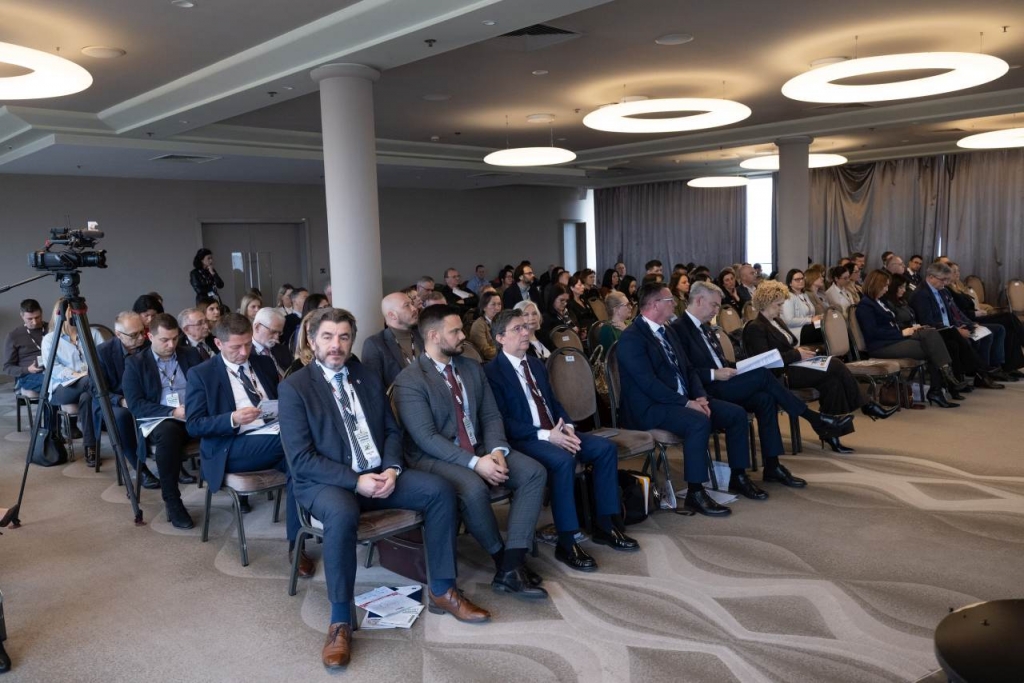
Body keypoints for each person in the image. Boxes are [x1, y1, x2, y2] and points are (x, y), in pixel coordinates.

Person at [279, 308, 490, 669]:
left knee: (439, 491)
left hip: (379, 473)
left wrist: (392, 469)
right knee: (342, 512)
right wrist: (355, 481)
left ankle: (443, 589)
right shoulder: (295, 387)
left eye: (344, 337)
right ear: (312, 341)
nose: (336, 345)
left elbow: (392, 431)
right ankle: (340, 620)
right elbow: (301, 459)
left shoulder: (366, 376)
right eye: (327, 337)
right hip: (327, 482)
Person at [393, 305, 548, 600]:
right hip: (433, 457)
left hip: (479, 446)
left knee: (533, 472)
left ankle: (512, 564)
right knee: (473, 487)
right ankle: (501, 559)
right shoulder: (410, 379)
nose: (463, 335)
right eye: (455, 331)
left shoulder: (471, 367)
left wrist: (497, 450)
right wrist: (476, 463)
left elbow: (490, 415)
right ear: (434, 336)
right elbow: (426, 438)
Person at [484, 309, 638, 571]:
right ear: (500, 338)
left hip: (555, 431)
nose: (525, 332)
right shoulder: (491, 372)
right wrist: (548, 435)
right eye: (517, 329)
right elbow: (502, 421)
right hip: (526, 439)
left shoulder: (535, 364)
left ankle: (605, 524)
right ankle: (567, 541)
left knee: (605, 449)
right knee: (563, 461)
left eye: (525, 327)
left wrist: (567, 426)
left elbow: (553, 403)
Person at [617, 283, 764, 517]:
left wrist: (700, 396)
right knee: (697, 421)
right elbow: (648, 384)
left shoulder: (667, 331)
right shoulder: (632, 338)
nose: (675, 304)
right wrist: (687, 403)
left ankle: (738, 476)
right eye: (670, 300)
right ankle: (696, 492)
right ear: (655, 305)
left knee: (735, 414)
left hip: (681, 400)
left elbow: (689, 369)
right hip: (649, 408)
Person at [671, 281, 850, 459]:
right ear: (699, 300)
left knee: (765, 399)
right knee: (763, 374)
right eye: (714, 305)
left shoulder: (705, 327)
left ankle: (773, 465)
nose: (716, 311)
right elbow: (684, 371)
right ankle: (814, 418)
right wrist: (714, 374)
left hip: (725, 380)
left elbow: (721, 362)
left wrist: (742, 365)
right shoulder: (679, 329)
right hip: (706, 389)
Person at [184, 314, 306, 574]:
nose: (244, 352)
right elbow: (193, 425)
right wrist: (232, 419)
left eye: (248, 344)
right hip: (230, 446)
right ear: (218, 344)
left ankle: (297, 544)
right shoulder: (201, 374)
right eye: (236, 347)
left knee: (298, 465)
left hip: (272, 436)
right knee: (297, 444)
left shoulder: (262, 363)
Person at [743, 281, 895, 437]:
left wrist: (800, 353)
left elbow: (788, 347)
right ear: (765, 303)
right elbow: (765, 361)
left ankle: (831, 433)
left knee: (832, 382)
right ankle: (866, 404)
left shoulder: (777, 321)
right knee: (835, 363)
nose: (781, 308)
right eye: (778, 305)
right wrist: (797, 354)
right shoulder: (756, 327)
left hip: (793, 365)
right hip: (781, 374)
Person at [123, 314, 204, 528]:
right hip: (161, 419)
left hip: (194, 414)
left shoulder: (190, 354)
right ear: (150, 337)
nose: (171, 345)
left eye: (175, 339)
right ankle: (172, 500)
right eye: (164, 340)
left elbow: (207, 385)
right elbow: (136, 405)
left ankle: (238, 489)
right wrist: (172, 411)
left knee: (226, 423)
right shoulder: (135, 363)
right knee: (168, 433)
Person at [855, 270, 962, 408]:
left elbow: (891, 324)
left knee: (930, 333)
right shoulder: (865, 305)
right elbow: (873, 333)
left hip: (894, 339)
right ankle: (941, 384)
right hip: (881, 346)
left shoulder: (879, 302)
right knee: (932, 348)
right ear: (875, 285)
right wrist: (902, 333)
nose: (887, 289)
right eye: (884, 286)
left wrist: (911, 329)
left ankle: (942, 381)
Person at [909, 263, 1008, 389]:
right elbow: (927, 322)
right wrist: (956, 330)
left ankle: (980, 374)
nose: (945, 283)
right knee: (959, 342)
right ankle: (981, 372)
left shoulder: (942, 290)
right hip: (934, 332)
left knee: (983, 333)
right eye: (943, 280)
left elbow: (952, 314)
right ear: (931, 277)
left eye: (947, 280)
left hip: (950, 328)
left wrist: (967, 324)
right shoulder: (921, 294)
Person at [41, 299, 105, 462]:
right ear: (61, 315)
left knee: (87, 397)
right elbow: (53, 368)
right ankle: (111, 409)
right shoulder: (50, 339)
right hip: (62, 388)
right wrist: (78, 375)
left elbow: (104, 360)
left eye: (78, 313)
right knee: (89, 382)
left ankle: (90, 448)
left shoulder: (93, 334)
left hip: (89, 386)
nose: (75, 317)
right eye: (71, 314)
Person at [92, 311, 152, 478]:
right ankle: (141, 469)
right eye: (134, 335)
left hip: (144, 397)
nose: (140, 337)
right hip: (115, 401)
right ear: (118, 334)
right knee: (122, 416)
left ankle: (174, 464)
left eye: (142, 331)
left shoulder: (149, 345)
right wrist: (121, 401)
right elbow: (96, 389)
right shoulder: (102, 352)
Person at [362, 292, 423, 388]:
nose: (414, 308)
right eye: (407, 305)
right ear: (392, 315)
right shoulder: (375, 344)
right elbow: (373, 387)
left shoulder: (423, 334)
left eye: (412, 303)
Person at [4, 299, 47, 395]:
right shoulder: (14, 336)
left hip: (53, 370)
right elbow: (7, 367)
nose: (35, 322)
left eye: (37, 317)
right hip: (28, 375)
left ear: (41, 313)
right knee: (52, 381)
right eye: (30, 319)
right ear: (22, 316)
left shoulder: (51, 328)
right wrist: (27, 369)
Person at [781, 269, 824, 344]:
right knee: (823, 331)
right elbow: (789, 321)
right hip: (797, 331)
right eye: (797, 279)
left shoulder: (804, 294)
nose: (801, 281)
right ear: (790, 283)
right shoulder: (788, 297)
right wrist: (810, 320)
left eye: (802, 278)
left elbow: (810, 313)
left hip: (808, 326)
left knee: (826, 326)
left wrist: (818, 317)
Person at [251, 307, 290, 377]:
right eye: (273, 332)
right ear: (257, 327)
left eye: (279, 333)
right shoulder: (246, 354)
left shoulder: (283, 350)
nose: (277, 337)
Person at [538, 284, 579, 350]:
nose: (565, 303)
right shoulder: (546, 318)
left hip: (574, 347)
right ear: (553, 298)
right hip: (559, 351)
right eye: (562, 300)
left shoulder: (569, 313)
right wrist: (570, 333)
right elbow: (547, 341)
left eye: (566, 300)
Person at [469, 291, 502, 361]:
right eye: (493, 304)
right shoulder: (479, 325)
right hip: (488, 362)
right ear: (484, 307)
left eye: (499, 304)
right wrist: (507, 350)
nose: (497, 308)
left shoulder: (503, 321)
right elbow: (486, 352)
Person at [596, 290, 631, 355]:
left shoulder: (628, 324)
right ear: (616, 309)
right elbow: (611, 357)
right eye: (627, 305)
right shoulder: (607, 330)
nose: (631, 307)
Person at [566, 275, 596, 341]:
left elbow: (593, 314)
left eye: (582, 284)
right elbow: (574, 321)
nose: (583, 287)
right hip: (583, 332)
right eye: (580, 285)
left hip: (593, 327)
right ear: (572, 288)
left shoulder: (583, 300)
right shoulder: (569, 304)